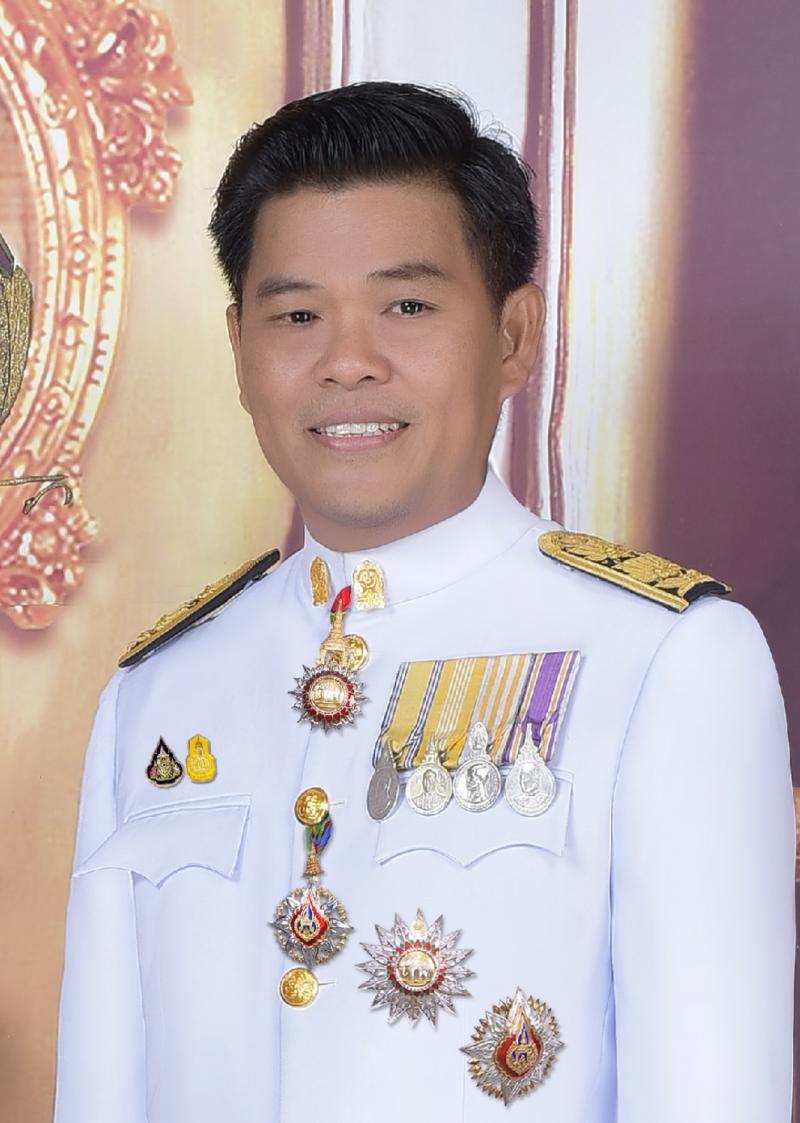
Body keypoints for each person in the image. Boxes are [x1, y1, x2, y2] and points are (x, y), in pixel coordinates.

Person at [53, 82, 795, 1122]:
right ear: (238, 350)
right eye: (296, 314)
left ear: (513, 335)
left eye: (405, 306)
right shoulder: (158, 691)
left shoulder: (665, 659)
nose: (347, 362)